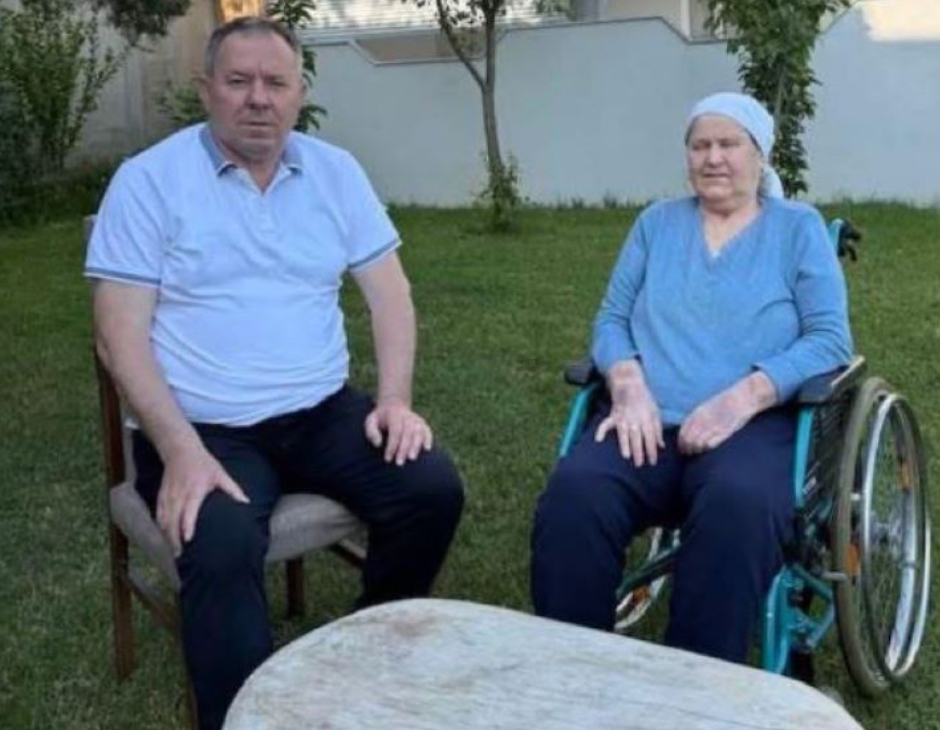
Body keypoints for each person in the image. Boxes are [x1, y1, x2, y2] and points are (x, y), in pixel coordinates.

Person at [85, 17, 464, 729]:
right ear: (206, 89)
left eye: (276, 82)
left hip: (321, 413)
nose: (258, 98)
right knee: (222, 542)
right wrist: (180, 452)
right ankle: (243, 717)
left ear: (299, 94)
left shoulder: (335, 171)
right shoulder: (148, 181)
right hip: (202, 429)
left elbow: (391, 295)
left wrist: (394, 400)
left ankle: (363, 662)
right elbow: (118, 337)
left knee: (430, 489)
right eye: (239, 81)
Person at [530, 92, 852, 663]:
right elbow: (611, 319)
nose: (713, 158)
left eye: (729, 144)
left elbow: (830, 339)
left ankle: (696, 683)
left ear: (760, 156)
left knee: (738, 505)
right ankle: (571, 670)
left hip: (753, 427)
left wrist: (742, 397)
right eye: (700, 146)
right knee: (576, 495)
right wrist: (627, 386)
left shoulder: (796, 228)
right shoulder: (656, 224)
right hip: (645, 419)